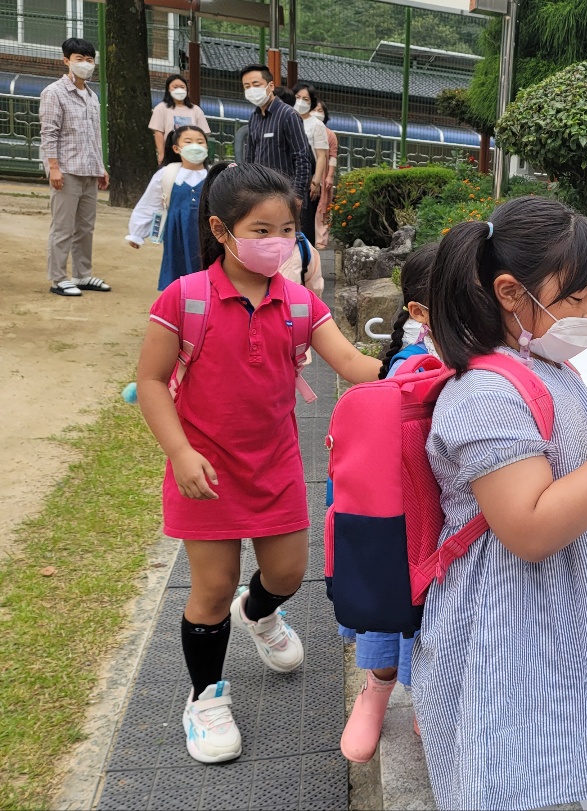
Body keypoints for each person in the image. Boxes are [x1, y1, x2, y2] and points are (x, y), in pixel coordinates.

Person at [412, 198, 587, 809]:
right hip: (508, 633)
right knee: (515, 776)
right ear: (509, 293)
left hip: (549, 619)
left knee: (553, 770)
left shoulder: (543, 368)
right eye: (576, 301)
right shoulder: (485, 393)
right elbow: (528, 528)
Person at [134, 162, 382, 764]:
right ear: (222, 230)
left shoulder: (299, 303)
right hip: (206, 473)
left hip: (275, 468)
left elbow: (353, 365)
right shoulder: (184, 298)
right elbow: (150, 381)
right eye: (261, 229)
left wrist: (426, 364)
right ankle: (205, 697)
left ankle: (260, 613)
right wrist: (180, 451)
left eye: (287, 227)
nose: (277, 241)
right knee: (212, 588)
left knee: (289, 575)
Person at [337, 243, 438, 764]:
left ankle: (425, 693)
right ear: (419, 311)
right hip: (394, 520)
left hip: (446, 522)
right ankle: (376, 690)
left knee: (433, 618)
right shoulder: (408, 368)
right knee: (389, 608)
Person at [39, 37, 111, 297]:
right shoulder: (54, 92)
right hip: (67, 170)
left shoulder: (91, 96)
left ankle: (82, 274)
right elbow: (49, 134)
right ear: (66, 60)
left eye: (89, 60)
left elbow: (94, 136)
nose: (85, 64)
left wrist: (101, 167)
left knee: (85, 227)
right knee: (63, 227)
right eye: (79, 59)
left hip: (89, 171)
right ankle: (58, 278)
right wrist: (54, 168)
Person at [126, 126, 211, 290]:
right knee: (177, 271)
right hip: (176, 233)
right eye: (188, 141)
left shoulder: (213, 175)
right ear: (176, 148)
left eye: (200, 142)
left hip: (207, 235)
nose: (195, 145)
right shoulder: (167, 174)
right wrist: (137, 234)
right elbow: (150, 203)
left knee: (205, 272)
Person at [238, 64, 313, 204]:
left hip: (285, 194)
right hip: (260, 193)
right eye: (247, 86)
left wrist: (297, 196)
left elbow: (302, 157)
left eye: (256, 84)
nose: (251, 90)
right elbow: (250, 158)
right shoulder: (254, 117)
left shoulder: (288, 115)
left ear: (271, 86)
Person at [291, 84, 329, 245]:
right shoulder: (289, 119)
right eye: (297, 98)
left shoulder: (316, 125)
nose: (300, 102)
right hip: (289, 174)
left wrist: (316, 181)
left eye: (305, 99)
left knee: (305, 222)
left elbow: (321, 156)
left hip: (308, 178)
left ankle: (306, 260)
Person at [149, 74, 210, 165]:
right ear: (168, 89)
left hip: (192, 154)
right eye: (175, 87)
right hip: (170, 154)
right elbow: (158, 133)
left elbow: (204, 133)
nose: (179, 89)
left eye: (182, 87)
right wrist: (161, 154)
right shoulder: (161, 108)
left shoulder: (195, 110)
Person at [312, 101, 340, 250]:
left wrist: (330, 176)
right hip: (308, 173)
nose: (317, 112)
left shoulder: (330, 135)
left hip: (323, 176)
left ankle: (321, 241)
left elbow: (333, 157)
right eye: (314, 109)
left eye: (320, 110)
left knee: (323, 209)